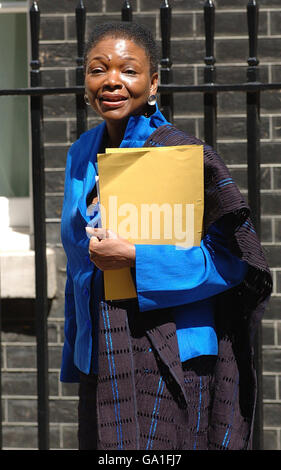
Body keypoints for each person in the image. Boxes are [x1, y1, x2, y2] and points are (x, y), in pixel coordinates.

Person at [60, 22, 272, 450]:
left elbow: (234, 261)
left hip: (171, 357)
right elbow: (79, 268)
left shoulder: (184, 156)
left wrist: (138, 256)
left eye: (129, 70)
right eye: (98, 69)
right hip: (102, 357)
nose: (112, 80)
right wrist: (77, 352)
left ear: (153, 81)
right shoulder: (81, 152)